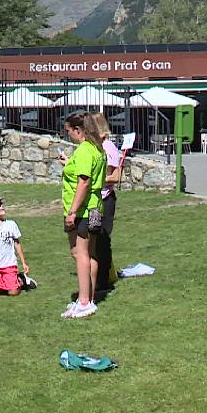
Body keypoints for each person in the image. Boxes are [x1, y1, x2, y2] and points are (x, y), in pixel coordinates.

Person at [58, 112, 107, 319]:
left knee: (81, 253)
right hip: (96, 207)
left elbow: (84, 182)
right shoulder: (97, 149)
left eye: (68, 130)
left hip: (84, 210)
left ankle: (85, 301)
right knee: (91, 252)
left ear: (78, 130)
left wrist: (73, 212)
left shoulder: (86, 150)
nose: (67, 134)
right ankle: (88, 298)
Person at [91, 112, 122, 293]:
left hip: (105, 200)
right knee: (93, 237)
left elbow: (115, 176)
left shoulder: (108, 147)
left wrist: (95, 179)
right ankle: (97, 278)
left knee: (102, 239)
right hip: (94, 200)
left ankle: (103, 280)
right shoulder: (93, 147)